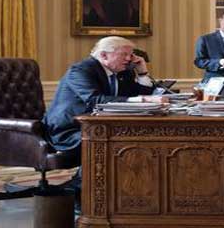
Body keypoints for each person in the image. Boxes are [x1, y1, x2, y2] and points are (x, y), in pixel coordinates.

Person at [43, 36, 163, 211]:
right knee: (108, 145)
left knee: (130, 142)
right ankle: (78, 193)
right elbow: (95, 100)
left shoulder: (123, 72)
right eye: (125, 54)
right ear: (104, 55)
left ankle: (128, 193)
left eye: (131, 55)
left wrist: (143, 72)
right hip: (69, 130)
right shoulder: (81, 70)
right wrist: (142, 99)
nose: (129, 59)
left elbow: (140, 93)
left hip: (100, 129)